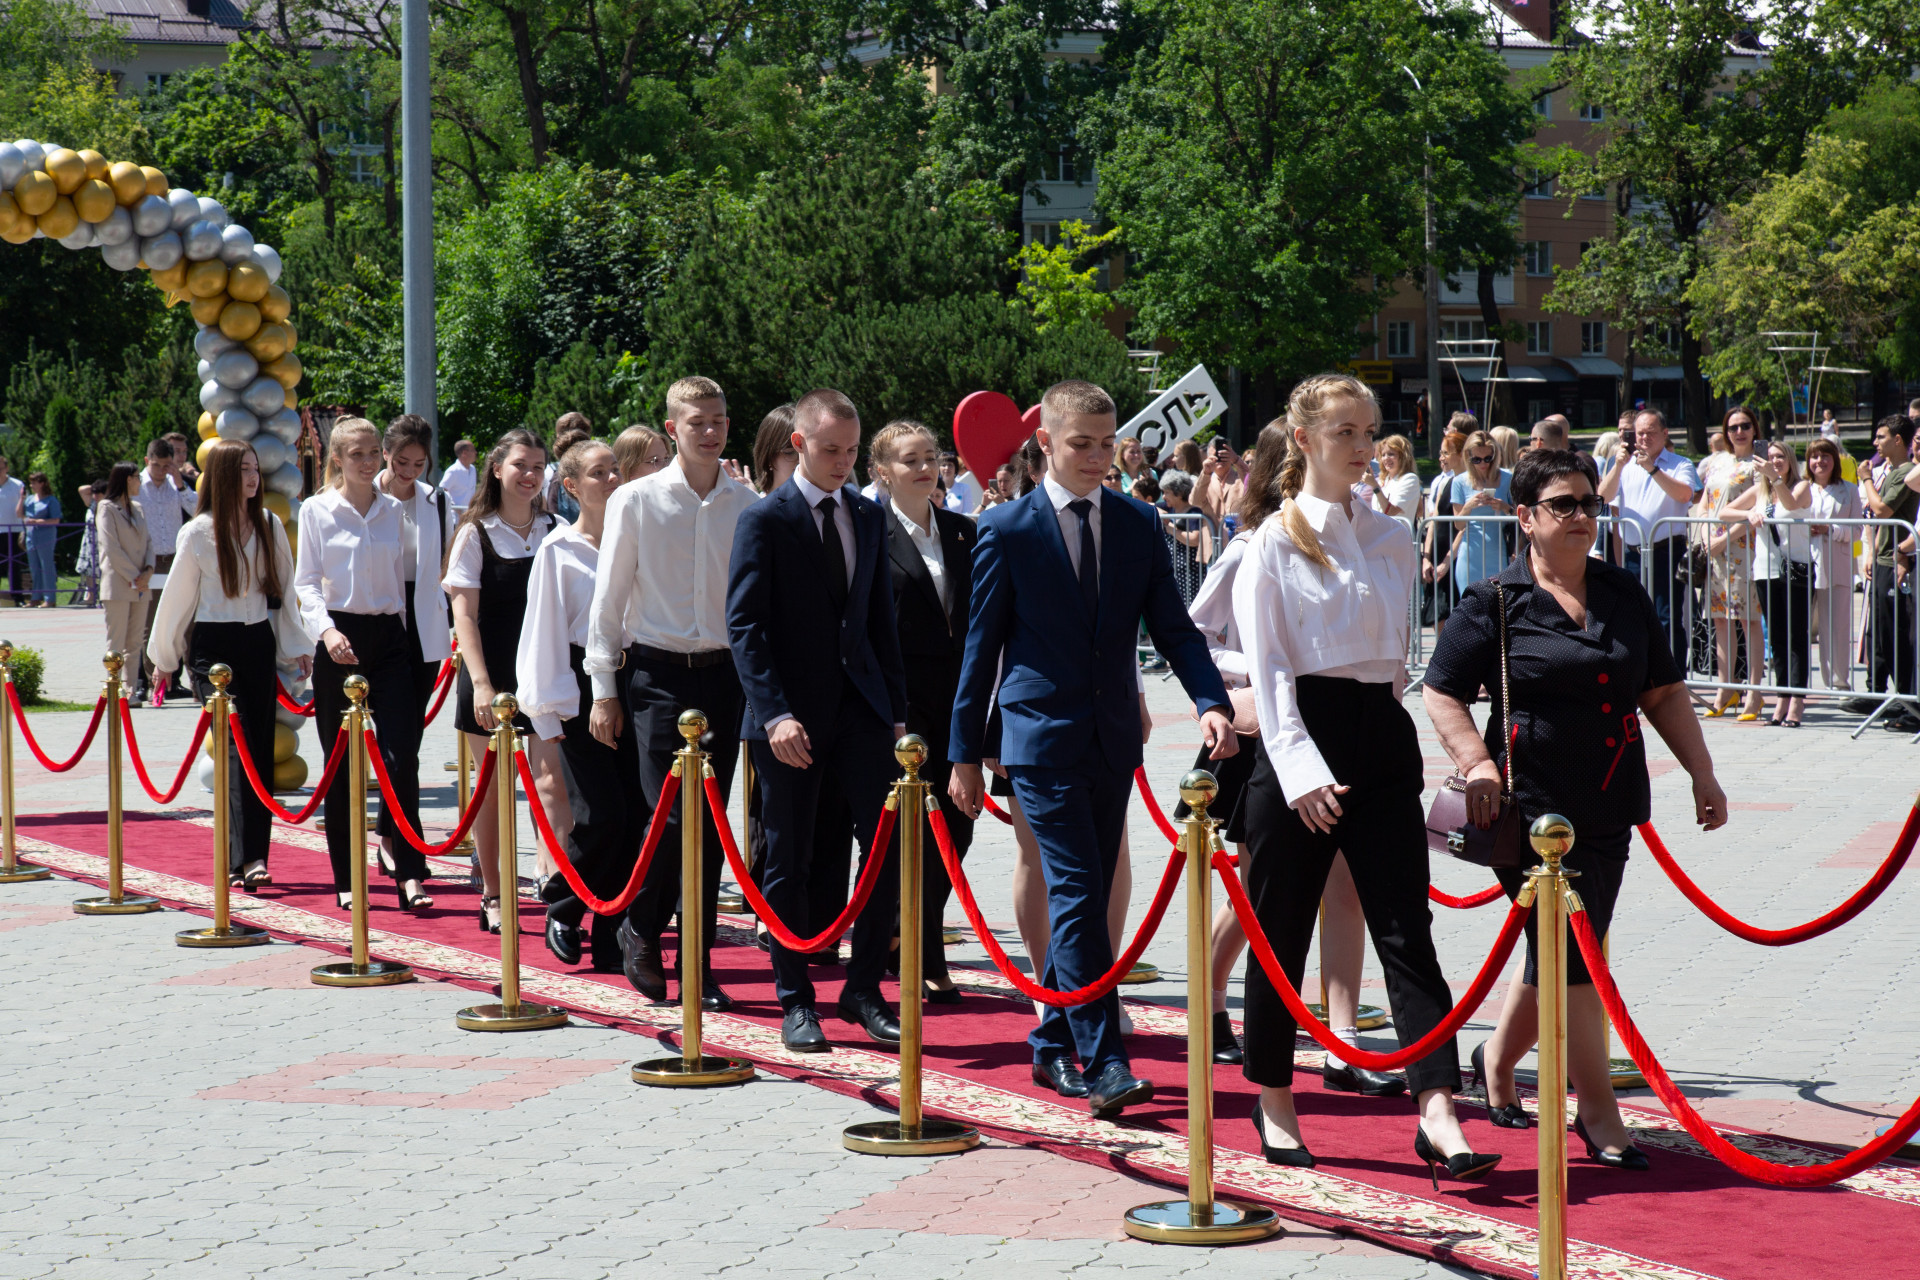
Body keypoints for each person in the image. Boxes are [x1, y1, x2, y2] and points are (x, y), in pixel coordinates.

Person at [1424, 447, 1728, 1170]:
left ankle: (1496, 1063)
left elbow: (1661, 691)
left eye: (1590, 503)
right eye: (1564, 505)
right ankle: (1598, 1111)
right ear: (1525, 517)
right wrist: (1473, 762)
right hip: (1526, 807)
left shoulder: (1622, 592)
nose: (1582, 517)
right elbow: (1440, 690)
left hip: (1609, 802)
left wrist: (1702, 772)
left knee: (1563, 953)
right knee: (1575, 958)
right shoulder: (1495, 601)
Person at [949, 380, 1236, 1120]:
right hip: (1037, 739)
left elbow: (1173, 630)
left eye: (1107, 443)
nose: (1096, 456)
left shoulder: (1139, 523)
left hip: (1112, 740)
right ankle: (1104, 1060)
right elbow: (980, 651)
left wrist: (1210, 702)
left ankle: (1050, 1042)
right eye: (1081, 443)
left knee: (1089, 888)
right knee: (1077, 893)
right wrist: (963, 753)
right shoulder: (1006, 529)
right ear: (1044, 441)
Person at [1227, 372, 1488, 1178]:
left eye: (1368, 430)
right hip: (1300, 737)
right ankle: (1274, 1098)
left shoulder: (1391, 535)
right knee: (1282, 932)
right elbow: (1269, 674)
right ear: (1302, 440)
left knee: (1407, 928)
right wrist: (1300, 768)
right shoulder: (1269, 542)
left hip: (1378, 732)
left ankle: (1437, 1106)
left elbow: (1394, 662)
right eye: (1343, 431)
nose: (1361, 445)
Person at [728, 388, 909, 1053]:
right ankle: (794, 997)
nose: (843, 461)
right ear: (798, 444)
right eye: (830, 449)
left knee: (888, 849)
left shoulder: (866, 514)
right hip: (789, 720)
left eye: (852, 450)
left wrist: (895, 715)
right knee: (790, 861)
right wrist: (773, 714)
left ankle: (863, 990)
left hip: (861, 712)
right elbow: (745, 626)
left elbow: (878, 623)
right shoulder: (764, 519)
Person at [586, 377, 758, 1008]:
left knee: (710, 823)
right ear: (671, 430)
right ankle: (642, 928)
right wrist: (603, 689)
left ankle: (697, 957)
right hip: (655, 676)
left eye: (718, 420)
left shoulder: (746, 503)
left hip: (723, 675)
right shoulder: (634, 501)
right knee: (670, 815)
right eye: (696, 422)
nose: (709, 432)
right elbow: (607, 602)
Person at [150, 439, 311, 890]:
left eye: (255, 468)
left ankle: (252, 856)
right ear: (223, 475)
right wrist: (164, 658)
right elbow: (177, 601)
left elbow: (285, 591)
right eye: (243, 469)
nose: (253, 477)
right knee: (236, 748)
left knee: (257, 751)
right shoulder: (198, 532)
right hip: (211, 648)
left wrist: (296, 646)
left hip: (256, 641)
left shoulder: (268, 525)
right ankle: (243, 857)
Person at [295, 418, 433, 912]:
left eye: (374, 451)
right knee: (341, 764)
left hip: (389, 639)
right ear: (336, 458)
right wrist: (327, 632)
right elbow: (305, 583)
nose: (368, 461)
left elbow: (399, 581)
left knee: (402, 757)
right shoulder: (316, 511)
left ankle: (409, 872)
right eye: (357, 453)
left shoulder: (394, 510)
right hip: (339, 636)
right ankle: (347, 877)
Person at [873, 420, 976, 1002]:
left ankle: (916, 934)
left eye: (931, 458)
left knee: (954, 831)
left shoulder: (964, 532)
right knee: (900, 834)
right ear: (882, 470)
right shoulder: (869, 530)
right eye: (909, 460)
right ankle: (906, 943)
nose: (923, 469)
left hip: (958, 700)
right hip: (898, 705)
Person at [520, 436, 628, 971]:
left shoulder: (636, 538)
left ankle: (612, 929)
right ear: (571, 486)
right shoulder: (559, 551)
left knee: (637, 814)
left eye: (616, 471)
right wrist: (547, 712)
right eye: (599, 473)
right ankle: (563, 902)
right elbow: (542, 633)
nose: (612, 480)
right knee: (601, 811)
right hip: (584, 688)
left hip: (639, 681)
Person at [444, 429, 558, 932]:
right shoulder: (476, 532)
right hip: (490, 675)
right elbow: (463, 616)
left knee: (554, 785)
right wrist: (484, 684)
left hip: (546, 674)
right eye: (520, 465)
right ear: (496, 469)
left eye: (538, 466)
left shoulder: (556, 527)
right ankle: (493, 892)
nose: (530, 475)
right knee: (492, 793)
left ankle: (557, 885)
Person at [373, 415, 454, 884]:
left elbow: (445, 563)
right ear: (386, 453)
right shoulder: (368, 498)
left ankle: (389, 830)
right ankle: (405, 855)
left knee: (406, 743)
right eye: (401, 461)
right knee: (397, 747)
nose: (409, 471)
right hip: (379, 622)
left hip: (423, 625)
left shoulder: (437, 500)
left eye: (419, 463)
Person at [1598, 408, 1701, 677]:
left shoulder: (1680, 464)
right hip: (1634, 553)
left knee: (1667, 618)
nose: (1642, 438)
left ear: (1664, 434)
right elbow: (1602, 498)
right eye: (1638, 433)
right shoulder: (1624, 465)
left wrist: (1653, 469)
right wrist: (1618, 466)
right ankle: (1640, 677)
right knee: (1633, 617)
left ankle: (1672, 678)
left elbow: (1684, 494)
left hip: (1667, 550)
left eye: (1649, 433)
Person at [1720, 440, 1812, 725]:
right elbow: (1724, 512)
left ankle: (1796, 699)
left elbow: (1791, 504)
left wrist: (1775, 479)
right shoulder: (1760, 490)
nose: (1774, 461)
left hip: (1795, 569)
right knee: (1777, 637)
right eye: (1770, 457)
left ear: (1789, 459)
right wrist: (1748, 513)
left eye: (1780, 457)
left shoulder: (1800, 485)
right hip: (1765, 571)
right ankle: (1782, 695)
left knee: (1796, 635)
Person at [1698, 406, 1766, 719]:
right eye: (1733, 427)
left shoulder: (1759, 464)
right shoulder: (1717, 461)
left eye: (1745, 426)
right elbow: (1704, 502)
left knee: (1748, 620)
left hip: (1745, 548)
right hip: (1713, 551)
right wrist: (1700, 537)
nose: (1739, 432)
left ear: (1754, 429)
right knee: (1720, 620)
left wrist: (1722, 540)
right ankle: (1725, 686)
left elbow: (1759, 509)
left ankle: (1755, 691)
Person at [1864, 415, 1919, 719]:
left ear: (1898, 440)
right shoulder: (1894, 471)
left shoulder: (1906, 472)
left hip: (1897, 559)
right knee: (1882, 633)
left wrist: (1866, 479)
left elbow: (1881, 510)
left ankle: (1907, 699)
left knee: (1896, 633)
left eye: (1881, 437)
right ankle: (1888, 695)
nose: (1876, 443)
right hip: (1884, 556)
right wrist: (1871, 553)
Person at [134, 440, 199, 699]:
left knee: (188, 622)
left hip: (176, 558)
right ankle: (155, 685)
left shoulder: (177, 484)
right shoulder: (136, 485)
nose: (161, 470)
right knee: (152, 624)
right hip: (149, 561)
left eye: (167, 465)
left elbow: (197, 509)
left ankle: (198, 683)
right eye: (157, 465)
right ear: (147, 460)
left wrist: (180, 482)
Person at [1805, 437, 1860, 691]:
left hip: (1837, 563)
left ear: (1834, 460)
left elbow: (1858, 530)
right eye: (1815, 457)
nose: (1820, 461)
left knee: (1837, 626)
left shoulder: (1849, 490)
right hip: (1807, 564)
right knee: (1807, 626)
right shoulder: (1802, 489)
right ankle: (1803, 682)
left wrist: (1831, 529)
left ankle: (1839, 682)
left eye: (1825, 456)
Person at [96, 463, 154, 688]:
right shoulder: (106, 507)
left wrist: (148, 571)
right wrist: (135, 576)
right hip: (119, 583)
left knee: (136, 642)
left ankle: (132, 690)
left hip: (141, 583)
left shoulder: (138, 507)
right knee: (117, 640)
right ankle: (114, 688)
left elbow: (149, 543)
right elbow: (110, 547)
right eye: (137, 477)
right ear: (127, 479)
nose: (140, 481)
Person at [1445, 430, 1513, 592]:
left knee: (1498, 609)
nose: (1483, 464)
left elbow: (1518, 517)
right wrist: (1469, 506)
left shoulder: (1506, 478)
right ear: (1468, 458)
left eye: (1487, 458)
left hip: (1497, 552)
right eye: (1476, 459)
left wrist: (1504, 507)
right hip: (1470, 555)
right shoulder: (1459, 482)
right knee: (1470, 608)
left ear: (1495, 455)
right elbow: (1458, 525)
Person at [1421, 425, 1469, 634]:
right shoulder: (1445, 482)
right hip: (1438, 553)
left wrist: (1448, 561)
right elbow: (1434, 521)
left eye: (1445, 452)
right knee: (1436, 614)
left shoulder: (1468, 483)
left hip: (1455, 556)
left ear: (1460, 454)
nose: (1442, 457)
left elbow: (1464, 526)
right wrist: (1426, 556)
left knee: (1452, 614)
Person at [20, 472, 61, 606]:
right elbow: (20, 514)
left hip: (45, 535)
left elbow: (56, 519)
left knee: (46, 566)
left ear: (42, 483)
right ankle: (35, 597)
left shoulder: (51, 500)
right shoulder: (30, 499)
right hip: (31, 536)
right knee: (34, 567)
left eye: (34, 482)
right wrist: (21, 498)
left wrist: (37, 521)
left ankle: (50, 598)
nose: (31, 485)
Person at [1367, 433, 1422, 520]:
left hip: (1398, 533)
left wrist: (1374, 486)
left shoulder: (1410, 479)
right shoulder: (1383, 480)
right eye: (1383, 455)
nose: (1386, 458)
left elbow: (1391, 511)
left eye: (1391, 454)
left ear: (1403, 456)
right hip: (1380, 532)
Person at [749, 406, 798, 495]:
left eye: (806, 452)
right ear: (768, 457)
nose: (801, 460)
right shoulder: (753, 505)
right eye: (790, 453)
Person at [0, 455, 22, 607]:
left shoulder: (17, 485)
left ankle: (18, 598)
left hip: (14, 530)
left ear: (6, 468)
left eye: (0, 468)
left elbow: (25, 508)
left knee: (14, 566)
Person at [441, 439, 478, 513]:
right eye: (473, 450)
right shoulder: (453, 471)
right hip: (456, 519)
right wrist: (454, 506)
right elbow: (442, 490)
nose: (475, 452)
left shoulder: (473, 469)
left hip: (469, 516)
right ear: (464, 453)